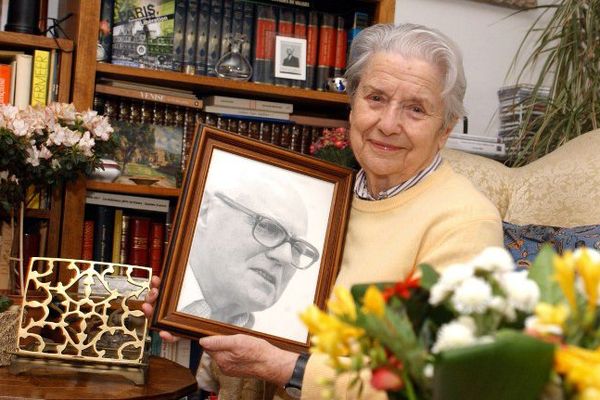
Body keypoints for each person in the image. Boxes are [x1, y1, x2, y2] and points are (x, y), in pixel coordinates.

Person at [144, 23, 503, 399]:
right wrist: (192, 309)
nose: (388, 124)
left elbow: (439, 383)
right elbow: (276, 327)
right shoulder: (330, 199)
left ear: (444, 130)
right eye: (376, 98)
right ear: (352, 104)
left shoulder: (465, 223)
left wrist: (285, 368)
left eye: (416, 109)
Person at [176, 165, 319, 328]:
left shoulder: (272, 345)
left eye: (297, 249)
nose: (286, 257)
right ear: (205, 211)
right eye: (268, 227)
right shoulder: (157, 288)